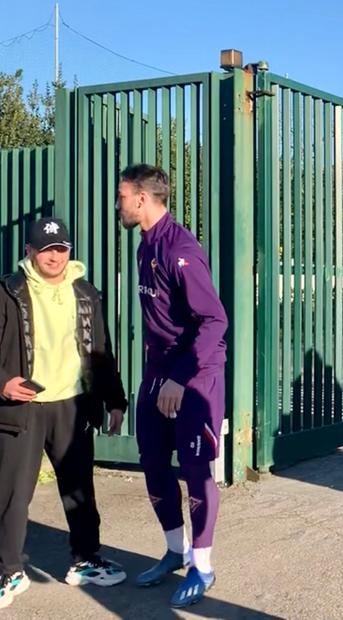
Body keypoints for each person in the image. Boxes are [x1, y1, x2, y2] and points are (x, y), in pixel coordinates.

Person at [115, 164, 228, 608]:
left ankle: (202, 565)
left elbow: (215, 320)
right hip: (158, 373)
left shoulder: (181, 249)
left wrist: (181, 379)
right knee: (153, 463)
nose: (118, 205)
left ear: (142, 199)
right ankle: (175, 550)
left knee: (196, 472)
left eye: (122, 196)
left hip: (195, 375)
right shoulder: (145, 246)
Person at [0, 217, 128, 609]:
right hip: (23, 407)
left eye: (61, 249)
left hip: (73, 406)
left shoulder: (86, 293)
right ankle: (8, 572)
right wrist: (2, 384)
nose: (54, 257)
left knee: (79, 490)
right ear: (29, 252)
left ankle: (85, 561)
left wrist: (115, 400)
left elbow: (100, 351)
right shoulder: (9, 291)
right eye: (46, 250)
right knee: (12, 494)